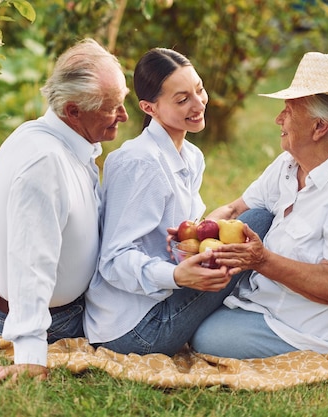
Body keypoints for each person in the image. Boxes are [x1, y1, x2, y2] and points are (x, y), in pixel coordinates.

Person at [190, 52, 328, 359]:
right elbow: (235, 211)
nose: (278, 119)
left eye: (288, 110)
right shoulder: (292, 162)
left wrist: (262, 261)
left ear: (319, 127)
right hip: (278, 295)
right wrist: (196, 236)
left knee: (208, 337)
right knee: (254, 218)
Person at [0, 38, 130, 382]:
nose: (124, 115)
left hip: (20, 285)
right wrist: (30, 355)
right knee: (132, 326)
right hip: (58, 314)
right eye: (112, 107)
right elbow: (30, 263)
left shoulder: (57, 138)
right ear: (73, 110)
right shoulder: (45, 164)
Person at [83, 48, 273, 357]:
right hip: (137, 329)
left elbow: (168, 238)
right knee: (260, 221)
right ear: (150, 107)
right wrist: (175, 275)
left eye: (199, 90)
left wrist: (189, 245)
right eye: (182, 99)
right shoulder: (140, 164)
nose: (198, 105)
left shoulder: (191, 156)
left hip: (164, 297)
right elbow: (114, 260)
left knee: (249, 222)